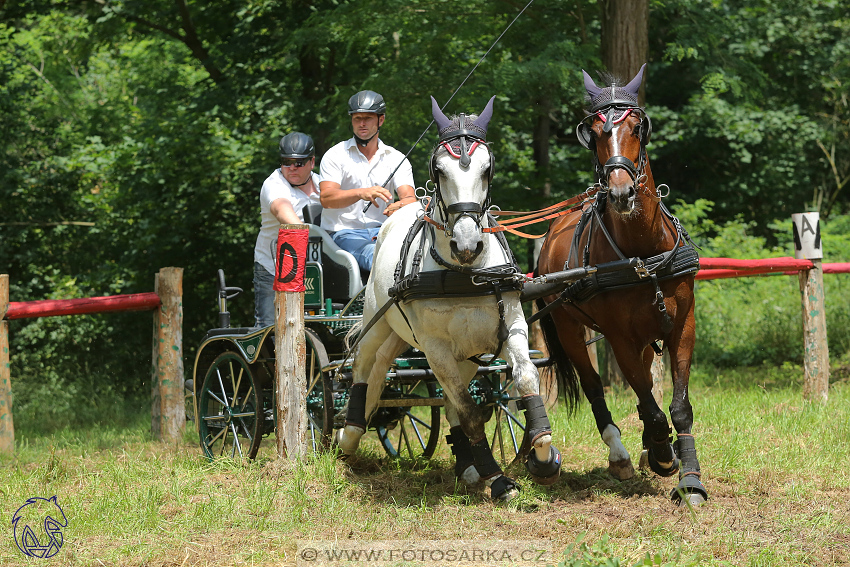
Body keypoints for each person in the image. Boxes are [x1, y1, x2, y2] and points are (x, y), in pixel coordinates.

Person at [319, 90, 416, 272]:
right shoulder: (335, 155)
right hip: (342, 234)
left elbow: (410, 199)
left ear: (381, 120)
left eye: (368, 118)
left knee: (417, 252)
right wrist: (361, 193)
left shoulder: (396, 158)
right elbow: (327, 198)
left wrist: (400, 205)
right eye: (357, 118)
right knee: (377, 255)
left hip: (384, 231)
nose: (362, 123)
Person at [253, 132, 321, 328]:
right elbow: (283, 211)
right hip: (272, 268)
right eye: (286, 162)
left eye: (298, 163)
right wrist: (304, 230)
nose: (291, 168)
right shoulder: (274, 184)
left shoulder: (321, 184)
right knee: (269, 330)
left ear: (311, 162)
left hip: (313, 269)